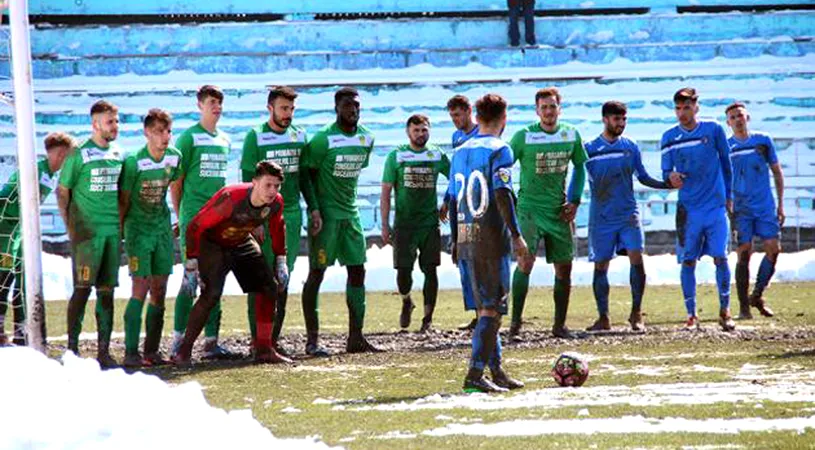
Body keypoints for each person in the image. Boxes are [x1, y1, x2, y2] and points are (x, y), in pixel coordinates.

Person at [173, 161, 291, 365]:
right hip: (212, 243)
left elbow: (278, 227)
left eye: (277, 186)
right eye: (268, 185)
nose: (272, 191)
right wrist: (191, 264)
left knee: (269, 287)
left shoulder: (276, 203)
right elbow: (195, 227)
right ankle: (183, 352)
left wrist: (281, 259)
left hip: (240, 240)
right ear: (254, 182)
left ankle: (264, 349)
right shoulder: (231, 198)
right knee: (211, 294)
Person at [448, 93, 528, 393]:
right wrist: (517, 235)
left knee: (484, 310)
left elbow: (455, 198)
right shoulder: (501, 149)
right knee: (492, 309)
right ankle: (474, 375)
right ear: (503, 119)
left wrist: (455, 240)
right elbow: (502, 193)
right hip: (491, 237)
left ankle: (496, 371)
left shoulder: (460, 149)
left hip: (466, 236)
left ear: (477, 117)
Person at [240, 86, 319, 356]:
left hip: (291, 217)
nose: (289, 114)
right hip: (262, 218)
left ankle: (272, 339)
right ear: (270, 108)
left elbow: (306, 178)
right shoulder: (255, 137)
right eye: (284, 108)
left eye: (292, 109)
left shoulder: (299, 136)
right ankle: (257, 340)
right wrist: (254, 220)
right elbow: (245, 182)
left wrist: (315, 209)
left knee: (283, 278)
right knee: (261, 278)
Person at [301, 86, 379, 355]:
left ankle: (355, 338)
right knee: (317, 273)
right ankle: (312, 341)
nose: (353, 110)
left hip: (351, 214)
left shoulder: (366, 138)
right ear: (336, 108)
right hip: (326, 218)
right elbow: (307, 174)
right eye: (348, 105)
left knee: (358, 271)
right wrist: (314, 209)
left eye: (357, 105)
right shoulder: (323, 139)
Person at [584, 101, 673, 332]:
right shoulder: (590, 148)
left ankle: (636, 314)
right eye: (617, 119)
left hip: (627, 214)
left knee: (636, 256)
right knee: (601, 265)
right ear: (605, 119)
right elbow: (576, 177)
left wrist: (666, 185)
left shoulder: (630, 146)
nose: (621, 124)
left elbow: (642, 176)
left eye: (624, 119)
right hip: (601, 217)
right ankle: (603, 317)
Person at [508, 87, 588, 340]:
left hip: (558, 211)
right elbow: (503, 166)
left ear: (559, 108)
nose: (548, 111)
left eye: (552, 106)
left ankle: (559, 326)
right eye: (543, 107)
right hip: (529, 209)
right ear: (536, 110)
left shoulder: (570, 134)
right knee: (526, 262)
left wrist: (574, 200)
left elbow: (580, 167)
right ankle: (515, 325)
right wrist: (507, 196)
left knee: (564, 268)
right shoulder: (523, 136)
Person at [661, 87, 735, 332]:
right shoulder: (669, 137)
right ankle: (691, 314)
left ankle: (725, 310)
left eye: (687, 107)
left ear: (696, 107)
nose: (682, 113)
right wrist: (670, 176)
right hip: (688, 210)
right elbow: (665, 172)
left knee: (720, 257)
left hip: (714, 207)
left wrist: (729, 196)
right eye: (678, 108)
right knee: (688, 261)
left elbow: (726, 163)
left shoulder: (713, 130)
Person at [170, 85, 235, 359]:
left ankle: (211, 342)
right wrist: (181, 215)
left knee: (215, 278)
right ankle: (177, 341)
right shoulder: (188, 138)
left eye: (219, 102)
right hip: (194, 220)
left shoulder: (225, 139)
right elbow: (177, 182)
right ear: (200, 105)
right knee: (190, 279)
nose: (216, 107)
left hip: (218, 221)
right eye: (211, 102)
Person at [58, 100, 124, 367]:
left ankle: (104, 351)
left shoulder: (118, 153)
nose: (115, 126)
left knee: (107, 292)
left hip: (111, 234)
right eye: (110, 122)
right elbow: (63, 191)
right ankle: (71, 349)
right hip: (87, 236)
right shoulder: (79, 154)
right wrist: (70, 226)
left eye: (117, 121)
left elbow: (121, 192)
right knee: (82, 289)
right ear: (95, 124)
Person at [119, 109, 182, 367]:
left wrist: (179, 217)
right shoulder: (134, 161)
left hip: (161, 229)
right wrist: (121, 231)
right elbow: (123, 200)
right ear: (147, 132)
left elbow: (176, 186)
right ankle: (131, 353)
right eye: (159, 131)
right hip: (138, 230)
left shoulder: (175, 157)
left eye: (168, 131)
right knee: (140, 287)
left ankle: (152, 351)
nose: (165, 137)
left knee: (160, 289)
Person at [0, 132, 74, 346]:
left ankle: (22, 332)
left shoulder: (49, 175)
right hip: (6, 230)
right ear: (61, 154)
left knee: (24, 279)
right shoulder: (33, 171)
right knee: (4, 279)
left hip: (22, 233)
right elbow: (6, 194)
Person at [381, 114, 450, 332]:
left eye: (424, 130)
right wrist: (385, 224)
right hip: (404, 224)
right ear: (408, 132)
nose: (421, 134)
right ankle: (406, 300)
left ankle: (427, 319)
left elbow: (456, 179)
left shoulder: (437, 154)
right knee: (403, 272)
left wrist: (446, 203)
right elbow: (385, 192)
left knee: (431, 270)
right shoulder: (397, 156)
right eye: (416, 130)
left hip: (429, 223)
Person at [725, 102, 783, 319]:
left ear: (747, 117)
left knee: (773, 249)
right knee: (744, 252)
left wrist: (781, 203)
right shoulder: (727, 146)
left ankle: (757, 295)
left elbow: (777, 172)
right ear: (728, 122)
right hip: (741, 209)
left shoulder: (763, 141)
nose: (737, 119)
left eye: (740, 115)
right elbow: (721, 177)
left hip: (765, 205)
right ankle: (743, 309)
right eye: (732, 117)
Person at [447, 94, 480, 331]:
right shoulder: (456, 137)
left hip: (480, 204)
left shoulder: (483, 133)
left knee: (480, 261)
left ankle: (488, 313)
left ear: (469, 111)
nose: (455, 120)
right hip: (461, 205)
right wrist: (449, 197)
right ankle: (478, 313)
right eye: (452, 116)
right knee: (465, 260)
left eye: (458, 114)